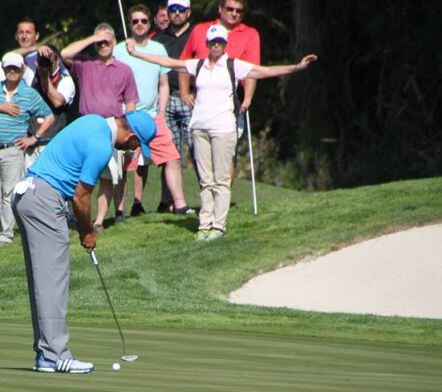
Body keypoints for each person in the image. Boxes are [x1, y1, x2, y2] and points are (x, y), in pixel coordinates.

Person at [126, 25, 317, 239]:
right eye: (213, 42)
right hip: (199, 128)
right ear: (207, 44)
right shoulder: (198, 65)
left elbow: (265, 71)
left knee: (221, 179)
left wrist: (296, 67)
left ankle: (219, 225)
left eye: (220, 42)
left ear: (225, 44)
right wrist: (136, 53)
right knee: (205, 180)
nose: (216, 45)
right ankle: (204, 224)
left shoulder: (233, 65)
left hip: (223, 129)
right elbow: (169, 62)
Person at [12, 110, 157, 374]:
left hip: (29, 195)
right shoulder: (102, 145)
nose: (132, 150)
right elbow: (81, 198)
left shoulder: (92, 121)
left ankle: (45, 354)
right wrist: (87, 232)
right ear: (132, 135)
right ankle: (55, 355)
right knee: (53, 280)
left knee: (43, 281)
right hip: (44, 199)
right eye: (136, 145)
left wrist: (78, 224)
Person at [114, 3, 195, 217]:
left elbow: (164, 84)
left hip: (152, 116)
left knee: (171, 157)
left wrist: (162, 111)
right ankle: (121, 210)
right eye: (135, 21)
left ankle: (180, 204)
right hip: (126, 117)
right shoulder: (119, 50)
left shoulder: (158, 48)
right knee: (124, 164)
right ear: (130, 24)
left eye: (143, 21)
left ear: (149, 23)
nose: (139, 24)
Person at [61, 23, 140, 232]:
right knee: (80, 175)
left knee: (107, 176)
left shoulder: (125, 70)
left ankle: (98, 221)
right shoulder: (84, 64)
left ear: (114, 42)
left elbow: (131, 105)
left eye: (106, 41)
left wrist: (130, 137)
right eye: (99, 42)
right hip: (86, 126)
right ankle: (77, 216)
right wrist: (91, 38)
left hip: (112, 129)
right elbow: (64, 53)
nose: (102, 45)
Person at [179, 0, 260, 181]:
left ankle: (221, 199)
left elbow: (252, 71)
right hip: (202, 98)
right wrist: (184, 92)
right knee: (203, 155)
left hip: (230, 98)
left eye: (238, 10)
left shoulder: (250, 34)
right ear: (220, 9)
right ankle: (210, 197)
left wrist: (247, 98)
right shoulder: (201, 30)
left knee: (226, 153)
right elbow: (184, 62)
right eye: (229, 9)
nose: (234, 13)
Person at [0, 52, 53, 248]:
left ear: (22, 69)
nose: (12, 71)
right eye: (9, 68)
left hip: (13, 150)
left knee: (8, 194)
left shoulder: (29, 94)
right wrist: (1, 107)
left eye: (16, 68)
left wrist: (34, 138)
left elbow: (49, 116)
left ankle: (5, 236)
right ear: (4, 69)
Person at [152, 0, 195, 213]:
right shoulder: (159, 39)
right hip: (166, 99)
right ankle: (170, 201)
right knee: (170, 153)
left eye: (180, 10)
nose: (176, 14)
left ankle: (209, 196)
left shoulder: (197, 35)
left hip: (192, 98)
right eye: (172, 10)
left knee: (197, 149)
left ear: (188, 12)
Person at [26, 44, 76, 166]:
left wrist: (44, 77)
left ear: (57, 60)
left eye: (49, 58)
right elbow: (12, 58)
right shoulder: (31, 77)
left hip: (53, 143)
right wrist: (35, 48)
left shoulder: (66, 80)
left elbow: (58, 102)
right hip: (32, 144)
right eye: (41, 59)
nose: (45, 62)